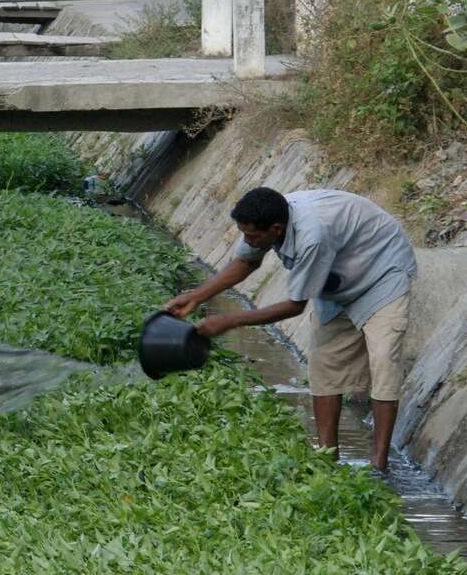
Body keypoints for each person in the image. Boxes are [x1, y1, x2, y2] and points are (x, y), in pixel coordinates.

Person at [164, 187, 416, 474]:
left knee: (383, 361)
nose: (248, 241)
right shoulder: (268, 219)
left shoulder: (312, 236)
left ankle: (379, 466)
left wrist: (230, 320)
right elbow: (246, 261)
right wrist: (197, 296)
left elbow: (296, 306)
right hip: (336, 281)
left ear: (276, 229)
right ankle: (326, 459)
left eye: (254, 236)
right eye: (244, 234)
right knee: (324, 366)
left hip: (381, 273)